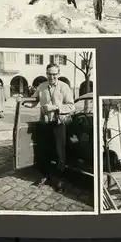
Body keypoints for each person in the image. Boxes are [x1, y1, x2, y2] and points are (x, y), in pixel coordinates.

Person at [18, 63, 75, 192]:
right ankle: (46, 176)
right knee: (44, 152)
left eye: (55, 74)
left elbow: (71, 106)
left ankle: (59, 179)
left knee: (59, 154)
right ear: (46, 73)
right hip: (44, 124)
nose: (52, 76)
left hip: (58, 125)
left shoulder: (64, 87)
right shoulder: (41, 86)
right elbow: (34, 102)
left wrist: (55, 107)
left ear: (58, 74)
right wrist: (22, 101)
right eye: (49, 73)